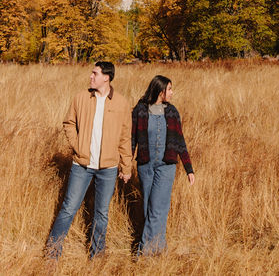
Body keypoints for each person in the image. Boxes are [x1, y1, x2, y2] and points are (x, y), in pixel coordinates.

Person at [46, 61, 133, 259]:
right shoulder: (81, 98)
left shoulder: (121, 103)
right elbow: (69, 123)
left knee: (101, 213)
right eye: (92, 73)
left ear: (106, 77)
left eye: (95, 73)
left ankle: (96, 256)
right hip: (82, 165)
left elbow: (125, 137)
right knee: (69, 208)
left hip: (108, 168)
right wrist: (78, 147)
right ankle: (52, 253)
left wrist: (126, 166)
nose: (91, 76)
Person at [132, 75, 195, 255]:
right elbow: (132, 138)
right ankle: (159, 249)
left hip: (166, 165)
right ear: (160, 91)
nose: (172, 93)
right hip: (145, 164)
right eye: (169, 89)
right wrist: (123, 165)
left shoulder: (172, 112)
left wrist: (188, 168)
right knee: (147, 208)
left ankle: (144, 253)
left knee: (158, 208)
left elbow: (179, 141)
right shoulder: (140, 110)